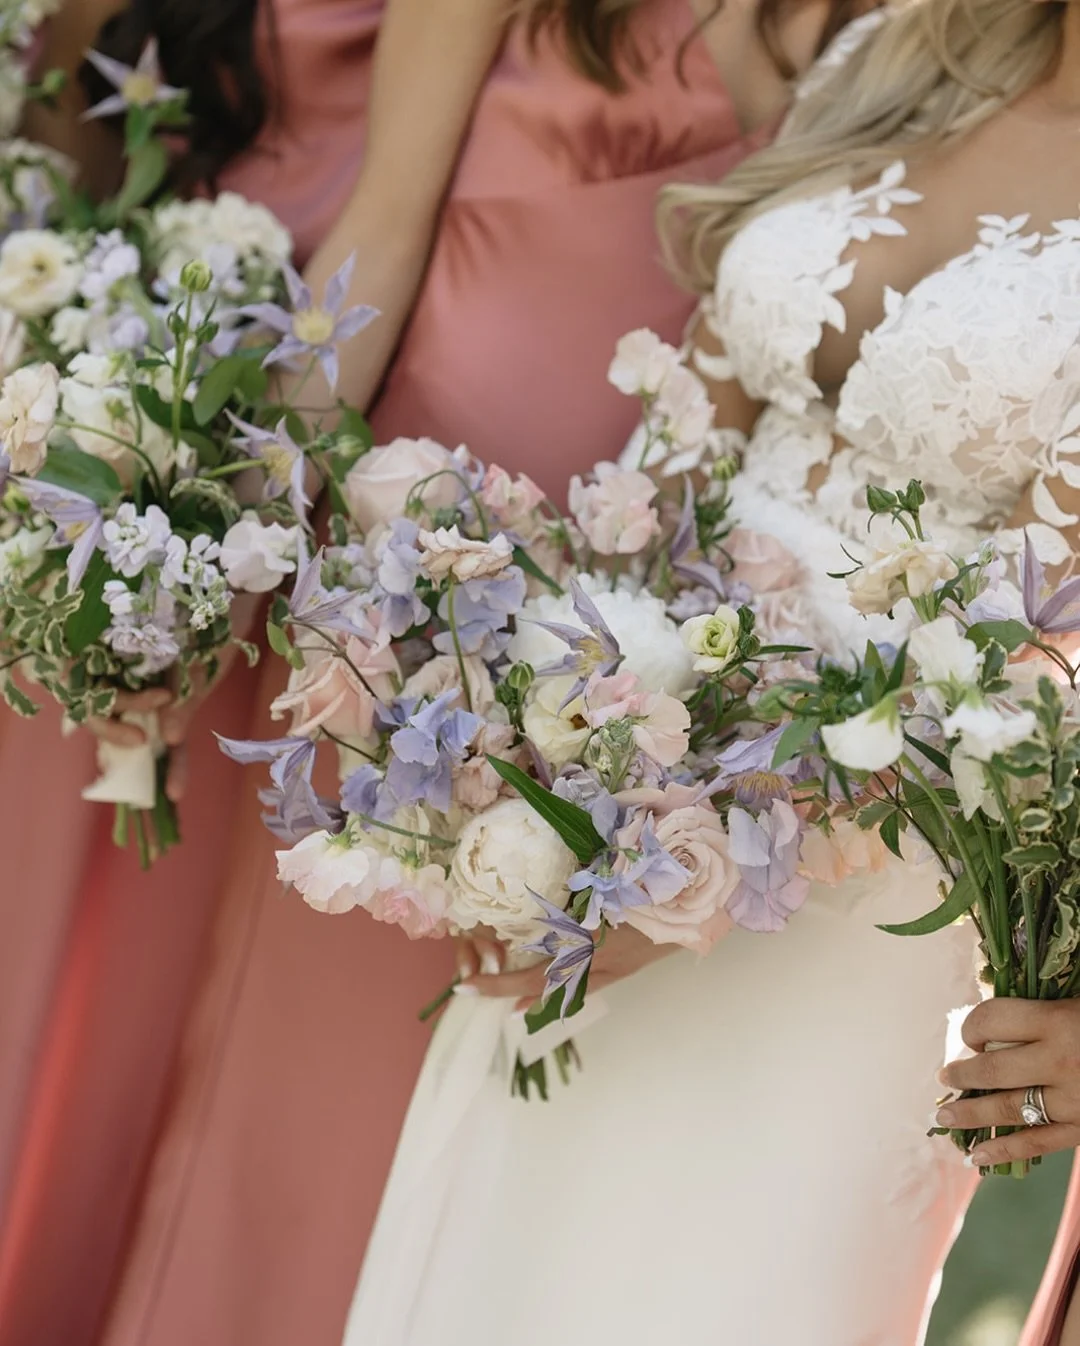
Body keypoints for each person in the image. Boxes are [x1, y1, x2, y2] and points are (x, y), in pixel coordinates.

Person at [0, 4, 751, 1345]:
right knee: (214, 1038)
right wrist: (228, 546)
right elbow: (386, 228)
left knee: (376, 1114)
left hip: (609, 610)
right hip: (410, 547)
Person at [342, 0, 1080, 1341]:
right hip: (621, 777)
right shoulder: (897, 52)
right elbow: (690, 432)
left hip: (867, 894)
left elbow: (1039, 647)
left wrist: (686, 875)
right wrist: (546, 752)